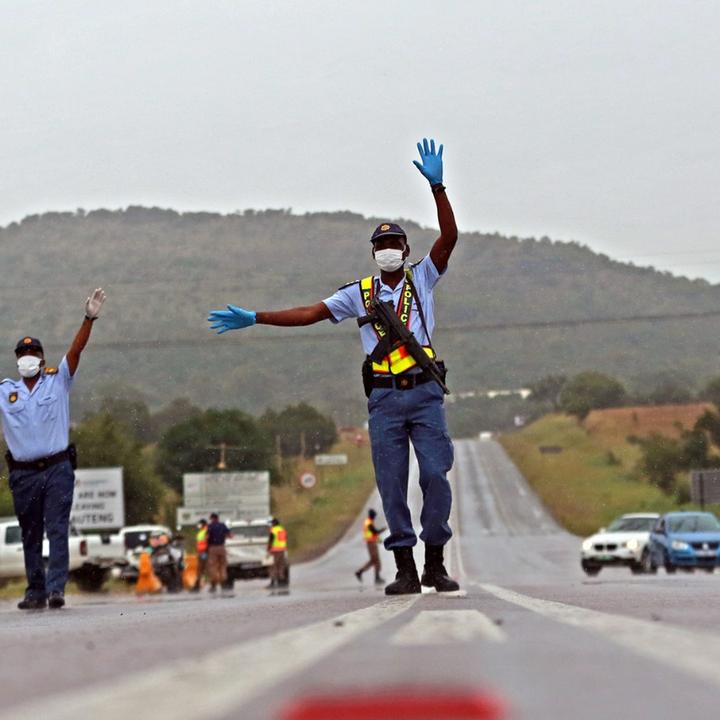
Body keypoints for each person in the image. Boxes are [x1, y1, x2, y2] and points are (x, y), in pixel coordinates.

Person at [208, 139, 460, 595]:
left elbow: (449, 239)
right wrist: (257, 318)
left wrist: (438, 188)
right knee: (390, 484)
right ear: (373, 253)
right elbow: (310, 313)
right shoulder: (357, 294)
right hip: (384, 398)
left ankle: (435, 563)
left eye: (395, 243)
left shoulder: (421, 277)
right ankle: (404, 567)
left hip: (424, 392)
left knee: (434, 474)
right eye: (381, 245)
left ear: (405, 249)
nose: (388, 250)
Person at [0, 289, 107, 610]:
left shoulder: (57, 380)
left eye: (31, 353)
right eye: (21, 355)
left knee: (57, 528)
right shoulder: (7, 392)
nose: (26, 358)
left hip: (57, 469)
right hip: (23, 474)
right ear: (17, 360)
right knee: (30, 533)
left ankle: (56, 588)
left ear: (42, 357)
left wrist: (88, 319)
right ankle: (35, 592)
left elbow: (76, 351)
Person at [355, 508, 385, 585]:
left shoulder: (369, 522)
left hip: (372, 543)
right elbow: (375, 532)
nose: (374, 517)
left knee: (374, 560)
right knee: (375, 560)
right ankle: (375, 577)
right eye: (374, 516)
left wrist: (378, 540)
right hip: (371, 544)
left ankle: (362, 572)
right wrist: (382, 530)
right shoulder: (368, 523)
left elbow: (373, 534)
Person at [206, 512, 232, 592]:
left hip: (213, 548)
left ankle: (213, 585)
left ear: (212, 518)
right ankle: (223, 583)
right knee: (223, 566)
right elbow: (230, 535)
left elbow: (207, 538)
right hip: (221, 547)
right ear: (218, 518)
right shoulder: (223, 525)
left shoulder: (209, 527)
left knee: (213, 566)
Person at [267, 517, 289, 590]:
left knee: (273, 566)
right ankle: (281, 582)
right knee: (281, 566)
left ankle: (273, 582)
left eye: (272, 523)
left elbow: (271, 540)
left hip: (274, 550)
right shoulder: (282, 529)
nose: (271, 524)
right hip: (282, 550)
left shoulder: (273, 530)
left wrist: (268, 549)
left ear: (274, 523)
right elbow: (285, 539)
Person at [192, 518, 209, 592]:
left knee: (201, 569)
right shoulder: (202, 531)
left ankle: (198, 585)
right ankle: (198, 584)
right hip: (201, 552)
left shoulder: (206, 531)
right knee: (201, 569)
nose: (198, 526)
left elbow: (207, 541)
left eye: (200, 524)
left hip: (204, 552)